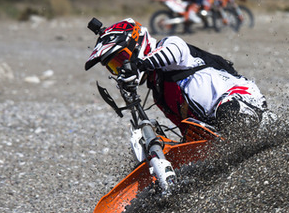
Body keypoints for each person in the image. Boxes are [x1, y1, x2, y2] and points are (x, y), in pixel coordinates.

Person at [84, 18, 275, 134]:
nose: (122, 69)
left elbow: (176, 50)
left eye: (122, 59)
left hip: (239, 98)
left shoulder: (168, 46)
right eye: (114, 67)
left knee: (229, 115)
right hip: (213, 125)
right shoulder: (157, 90)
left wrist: (141, 64)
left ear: (138, 42)